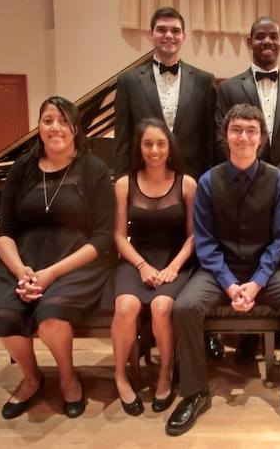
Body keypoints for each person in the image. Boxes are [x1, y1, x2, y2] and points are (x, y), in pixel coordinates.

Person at [166, 104, 280, 438]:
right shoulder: (208, 182)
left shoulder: (277, 180)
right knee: (185, 307)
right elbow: (204, 242)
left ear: (261, 138)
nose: (243, 136)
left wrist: (256, 282)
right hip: (218, 269)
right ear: (226, 136)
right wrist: (228, 282)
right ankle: (194, 393)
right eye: (236, 129)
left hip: (264, 270)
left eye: (251, 130)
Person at [0, 96, 116, 419]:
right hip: (25, 262)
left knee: (50, 315)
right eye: (47, 120)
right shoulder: (23, 168)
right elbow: (4, 231)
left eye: (62, 121)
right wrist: (20, 271)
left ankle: (69, 377)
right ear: (39, 127)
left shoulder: (94, 168)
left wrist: (51, 274)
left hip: (75, 262)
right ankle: (32, 378)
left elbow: (102, 239)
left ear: (75, 127)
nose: (55, 127)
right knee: (3, 314)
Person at [215, 16, 280, 363]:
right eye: (260, 37)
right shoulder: (229, 88)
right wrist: (255, 172)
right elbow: (221, 135)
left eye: (273, 36)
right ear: (249, 42)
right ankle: (247, 334)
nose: (267, 42)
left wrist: (275, 174)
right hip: (241, 188)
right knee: (244, 254)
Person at [111, 118, 197, 416]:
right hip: (137, 260)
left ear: (169, 147)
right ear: (140, 147)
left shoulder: (187, 183)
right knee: (125, 308)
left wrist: (173, 267)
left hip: (176, 260)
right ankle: (120, 375)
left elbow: (194, 236)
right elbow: (119, 235)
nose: (154, 150)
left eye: (161, 143)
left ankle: (165, 373)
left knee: (162, 306)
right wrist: (141, 264)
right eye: (148, 144)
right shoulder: (124, 183)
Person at [114, 6, 217, 181]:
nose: (169, 35)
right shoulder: (128, 82)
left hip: (192, 179)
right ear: (151, 34)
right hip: (143, 179)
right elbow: (123, 140)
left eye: (175, 31)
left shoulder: (204, 82)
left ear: (183, 37)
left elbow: (210, 140)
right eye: (162, 29)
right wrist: (123, 183)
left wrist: (211, 183)